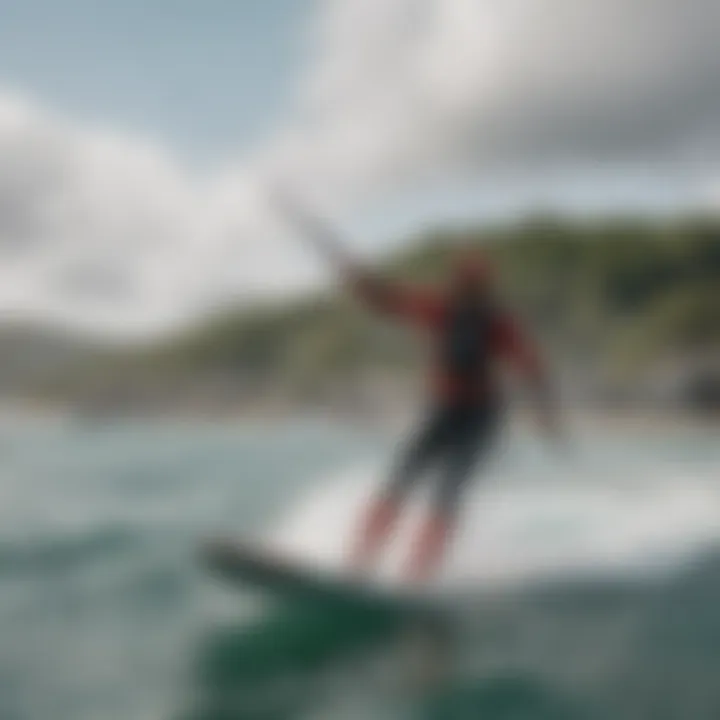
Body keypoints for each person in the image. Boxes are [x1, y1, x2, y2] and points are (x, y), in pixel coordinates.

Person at [273, 191, 560, 584]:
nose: (466, 288)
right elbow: (386, 301)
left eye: (473, 282)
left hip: (479, 421)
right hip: (442, 412)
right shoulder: (441, 308)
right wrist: (358, 280)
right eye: (462, 280)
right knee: (399, 481)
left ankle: (418, 577)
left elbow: (533, 370)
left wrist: (547, 417)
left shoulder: (498, 323)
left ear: (484, 284)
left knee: (446, 494)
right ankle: (358, 562)